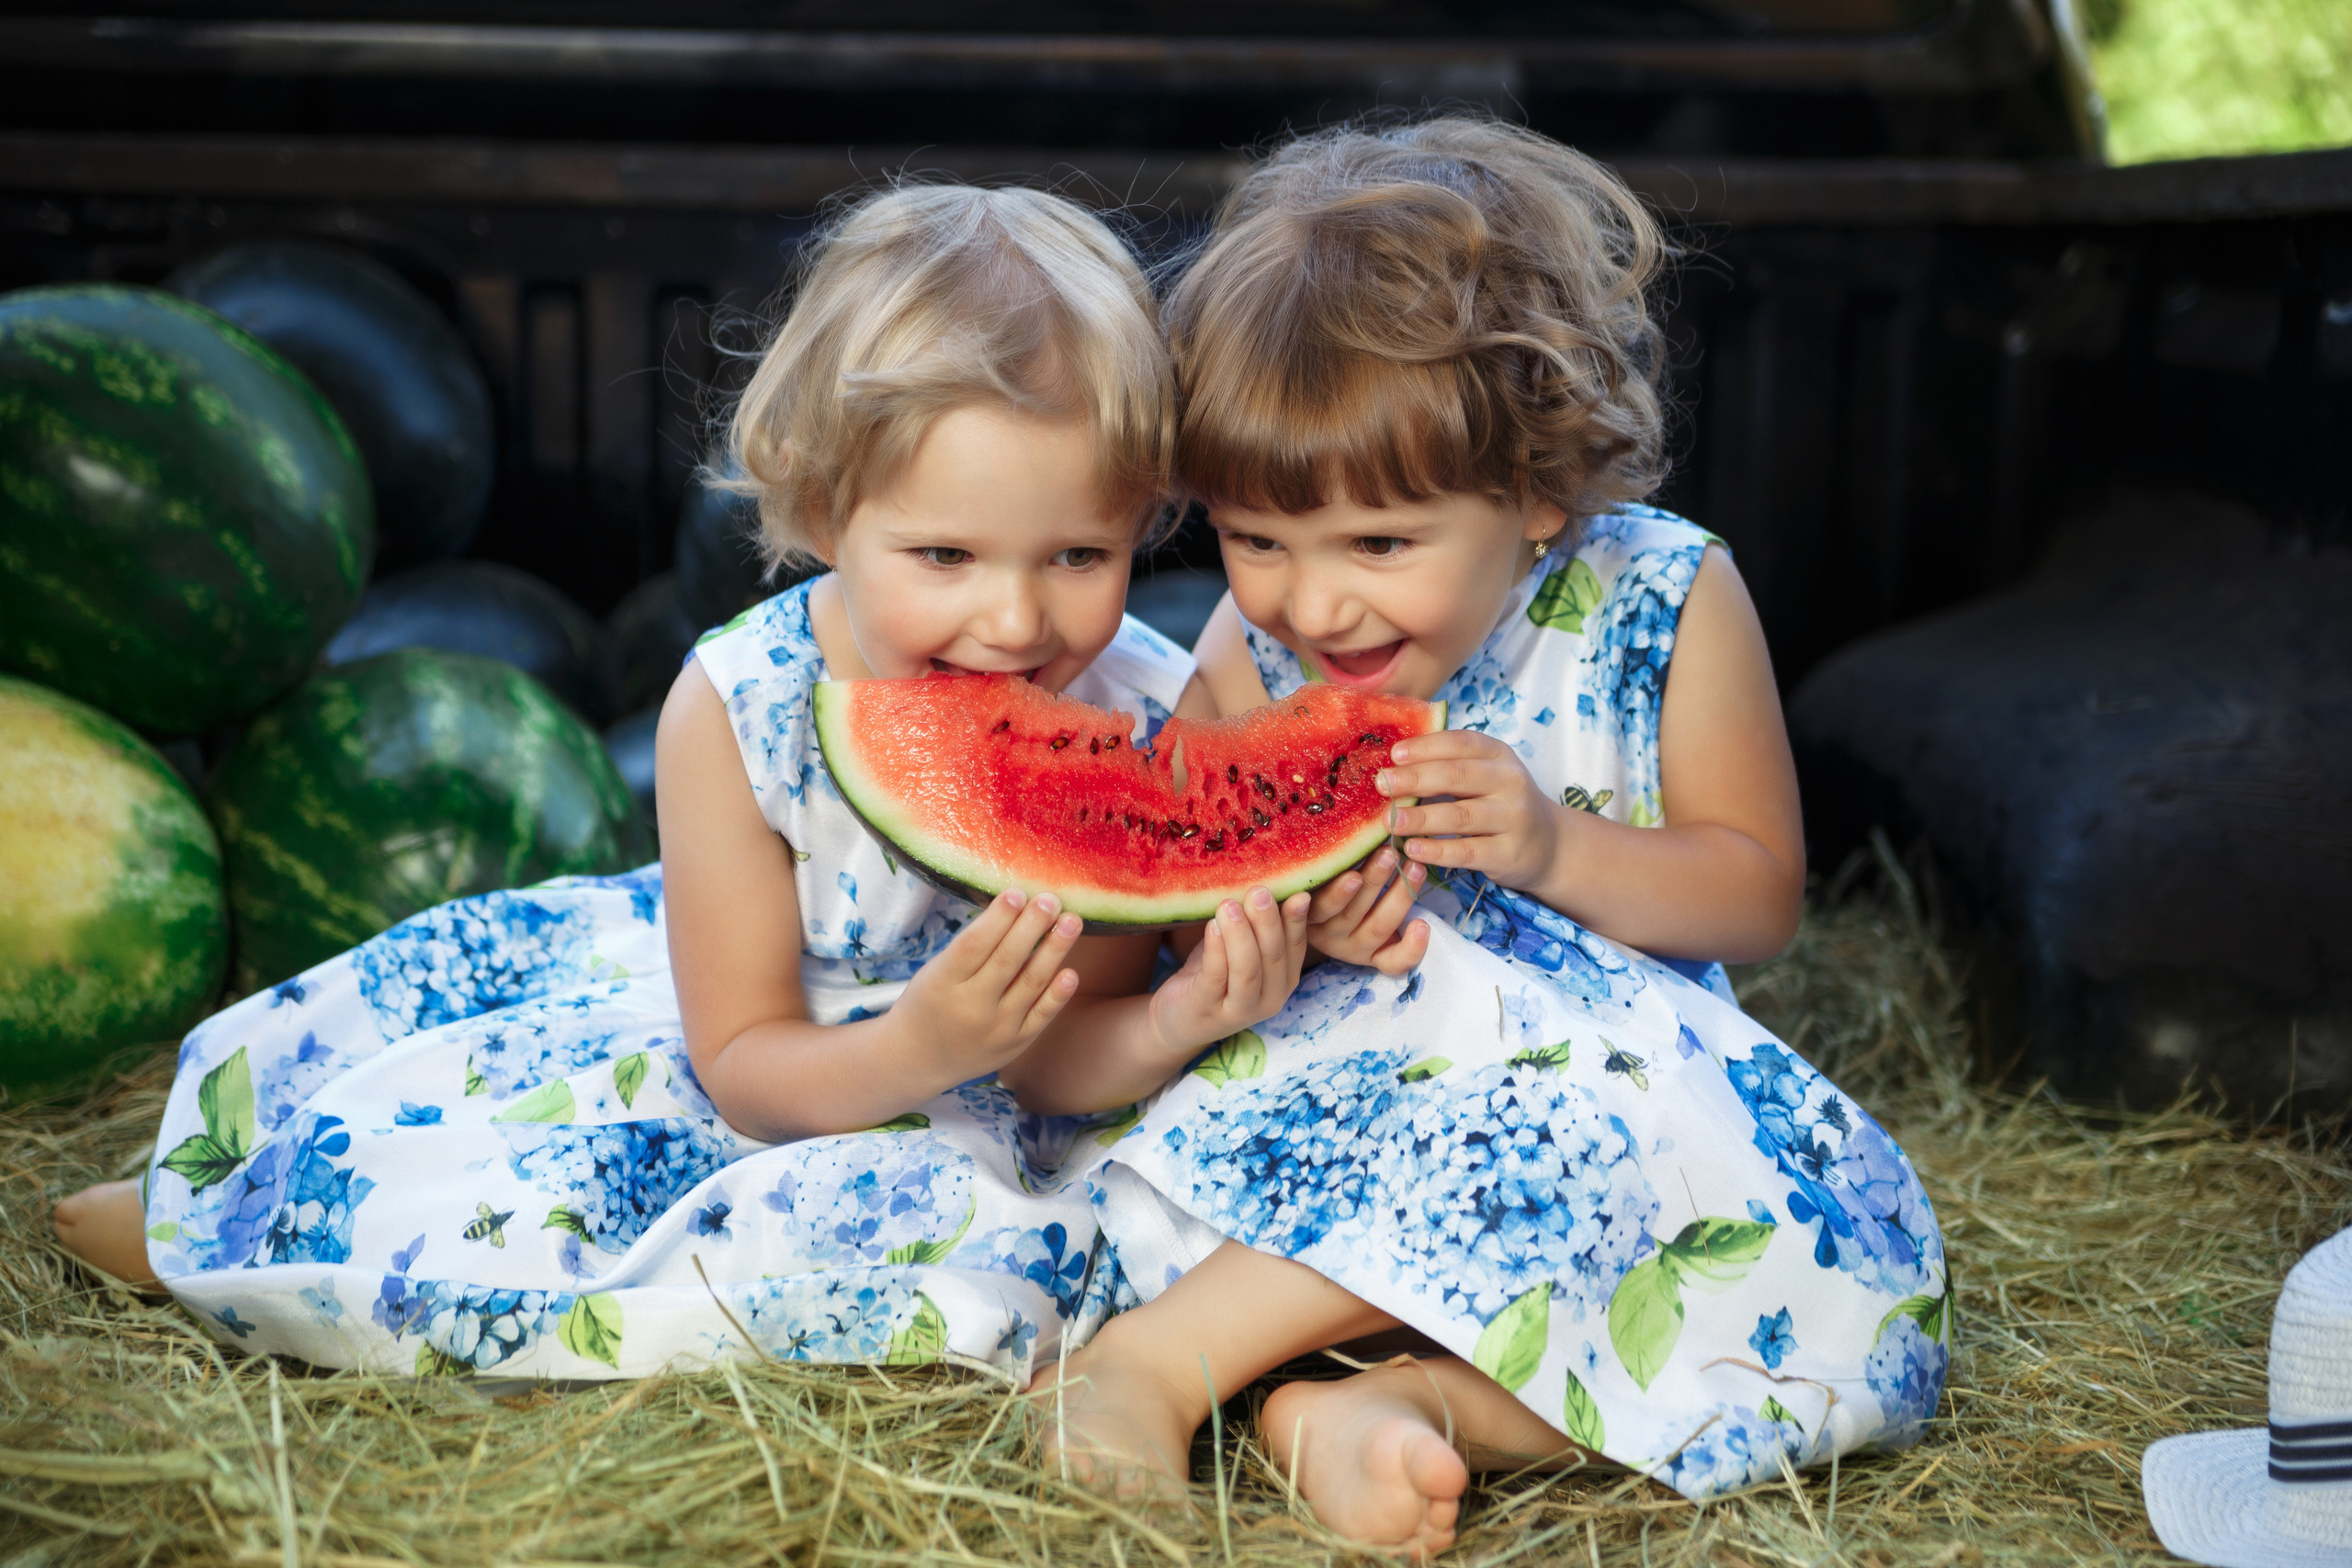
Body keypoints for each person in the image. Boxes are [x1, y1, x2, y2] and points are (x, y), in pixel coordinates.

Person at [54, 182, 1311, 1379]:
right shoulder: (737, 707)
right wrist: (917, 1046)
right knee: (501, 1176)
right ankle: (223, 1225)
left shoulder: (1140, 727)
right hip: (762, 1057)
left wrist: (1173, 1021)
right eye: (944, 555)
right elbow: (743, 1062)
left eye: (1079, 554)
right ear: (823, 510)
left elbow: (1054, 1062)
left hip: (981, 1116)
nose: (1016, 620)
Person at [1034, 118, 1951, 1555]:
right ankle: (1150, 1366)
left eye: (1379, 545)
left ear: (1535, 491)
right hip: (1337, 1103)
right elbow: (1174, 911)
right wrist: (1268, 933)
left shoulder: (1664, 597)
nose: (1311, 605)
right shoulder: (1246, 654)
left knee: (1864, 1306)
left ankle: (1384, 1406)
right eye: (1257, 540)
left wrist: (1553, 852)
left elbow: (1758, 894)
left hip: (1618, 1113)